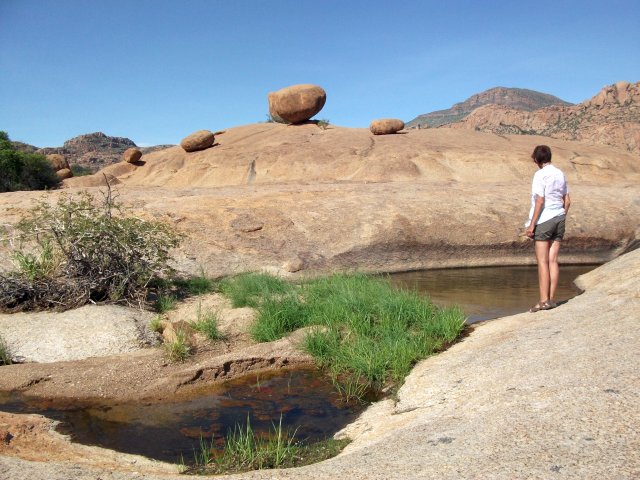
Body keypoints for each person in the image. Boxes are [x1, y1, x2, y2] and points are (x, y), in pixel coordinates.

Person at [524, 145, 571, 312]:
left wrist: (532, 225)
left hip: (545, 220)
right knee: (552, 260)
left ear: (536, 159)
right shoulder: (560, 173)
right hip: (559, 217)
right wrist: (561, 216)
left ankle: (543, 301)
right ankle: (551, 300)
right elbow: (567, 201)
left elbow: (540, 201)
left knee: (542, 262)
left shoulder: (540, 175)